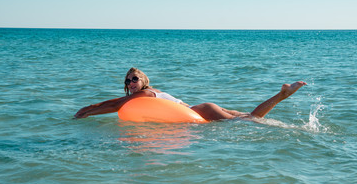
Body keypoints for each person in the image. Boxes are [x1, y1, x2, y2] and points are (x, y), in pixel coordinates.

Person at [74, 67, 307, 121]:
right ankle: (281, 96)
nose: (131, 82)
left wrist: (86, 112)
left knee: (251, 121)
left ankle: (282, 95)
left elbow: (116, 105)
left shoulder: (146, 93)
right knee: (250, 118)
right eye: (127, 80)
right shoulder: (148, 93)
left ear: (144, 82)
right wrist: (91, 109)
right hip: (202, 108)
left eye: (135, 79)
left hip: (201, 111)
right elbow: (118, 102)